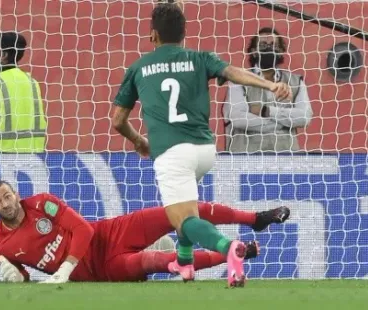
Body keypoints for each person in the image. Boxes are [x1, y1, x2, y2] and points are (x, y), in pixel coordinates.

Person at [111, 3, 292, 286]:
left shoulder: (139, 68)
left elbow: (118, 120)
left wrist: (139, 140)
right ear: (184, 34)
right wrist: (270, 86)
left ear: (152, 35)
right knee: (187, 209)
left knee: (182, 219)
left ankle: (228, 248)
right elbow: (232, 71)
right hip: (205, 150)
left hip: (172, 153)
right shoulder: (200, 58)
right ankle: (185, 263)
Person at [0, 180, 290, 284]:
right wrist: (15, 276)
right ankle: (235, 253)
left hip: (108, 233)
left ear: (16, 194)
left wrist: (65, 267)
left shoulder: (41, 203)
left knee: (179, 209)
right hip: (101, 271)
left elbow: (81, 230)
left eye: (8, 196)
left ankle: (256, 218)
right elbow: (21, 278)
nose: (5, 204)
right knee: (161, 261)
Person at [223, 27, 313, 153]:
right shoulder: (238, 80)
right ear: (254, 51)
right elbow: (238, 119)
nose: (268, 48)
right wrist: (283, 123)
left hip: (285, 159)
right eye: (263, 45)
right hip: (246, 159)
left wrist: (267, 111)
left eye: (273, 45)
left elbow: (304, 118)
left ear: (281, 51)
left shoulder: (296, 81)